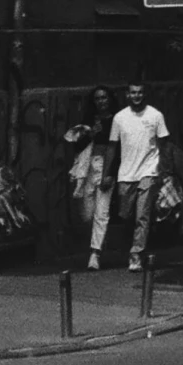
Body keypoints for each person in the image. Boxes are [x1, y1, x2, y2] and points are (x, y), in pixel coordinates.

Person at [94, 81, 173, 271]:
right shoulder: (120, 118)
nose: (136, 96)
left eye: (140, 92)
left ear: (145, 94)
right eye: (133, 93)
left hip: (149, 171)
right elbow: (112, 147)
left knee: (142, 216)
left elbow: (164, 144)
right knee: (126, 214)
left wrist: (164, 170)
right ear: (127, 95)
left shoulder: (155, 116)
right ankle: (136, 245)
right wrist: (107, 174)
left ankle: (136, 254)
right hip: (126, 173)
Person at [65, 86, 114, 269]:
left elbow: (115, 147)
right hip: (87, 166)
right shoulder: (88, 121)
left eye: (104, 97)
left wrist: (110, 172)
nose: (102, 101)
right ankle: (96, 242)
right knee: (87, 214)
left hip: (105, 165)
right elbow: (77, 146)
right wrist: (90, 133)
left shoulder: (115, 120)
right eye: (98, 98)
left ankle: (95, 253)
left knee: (102, 212)